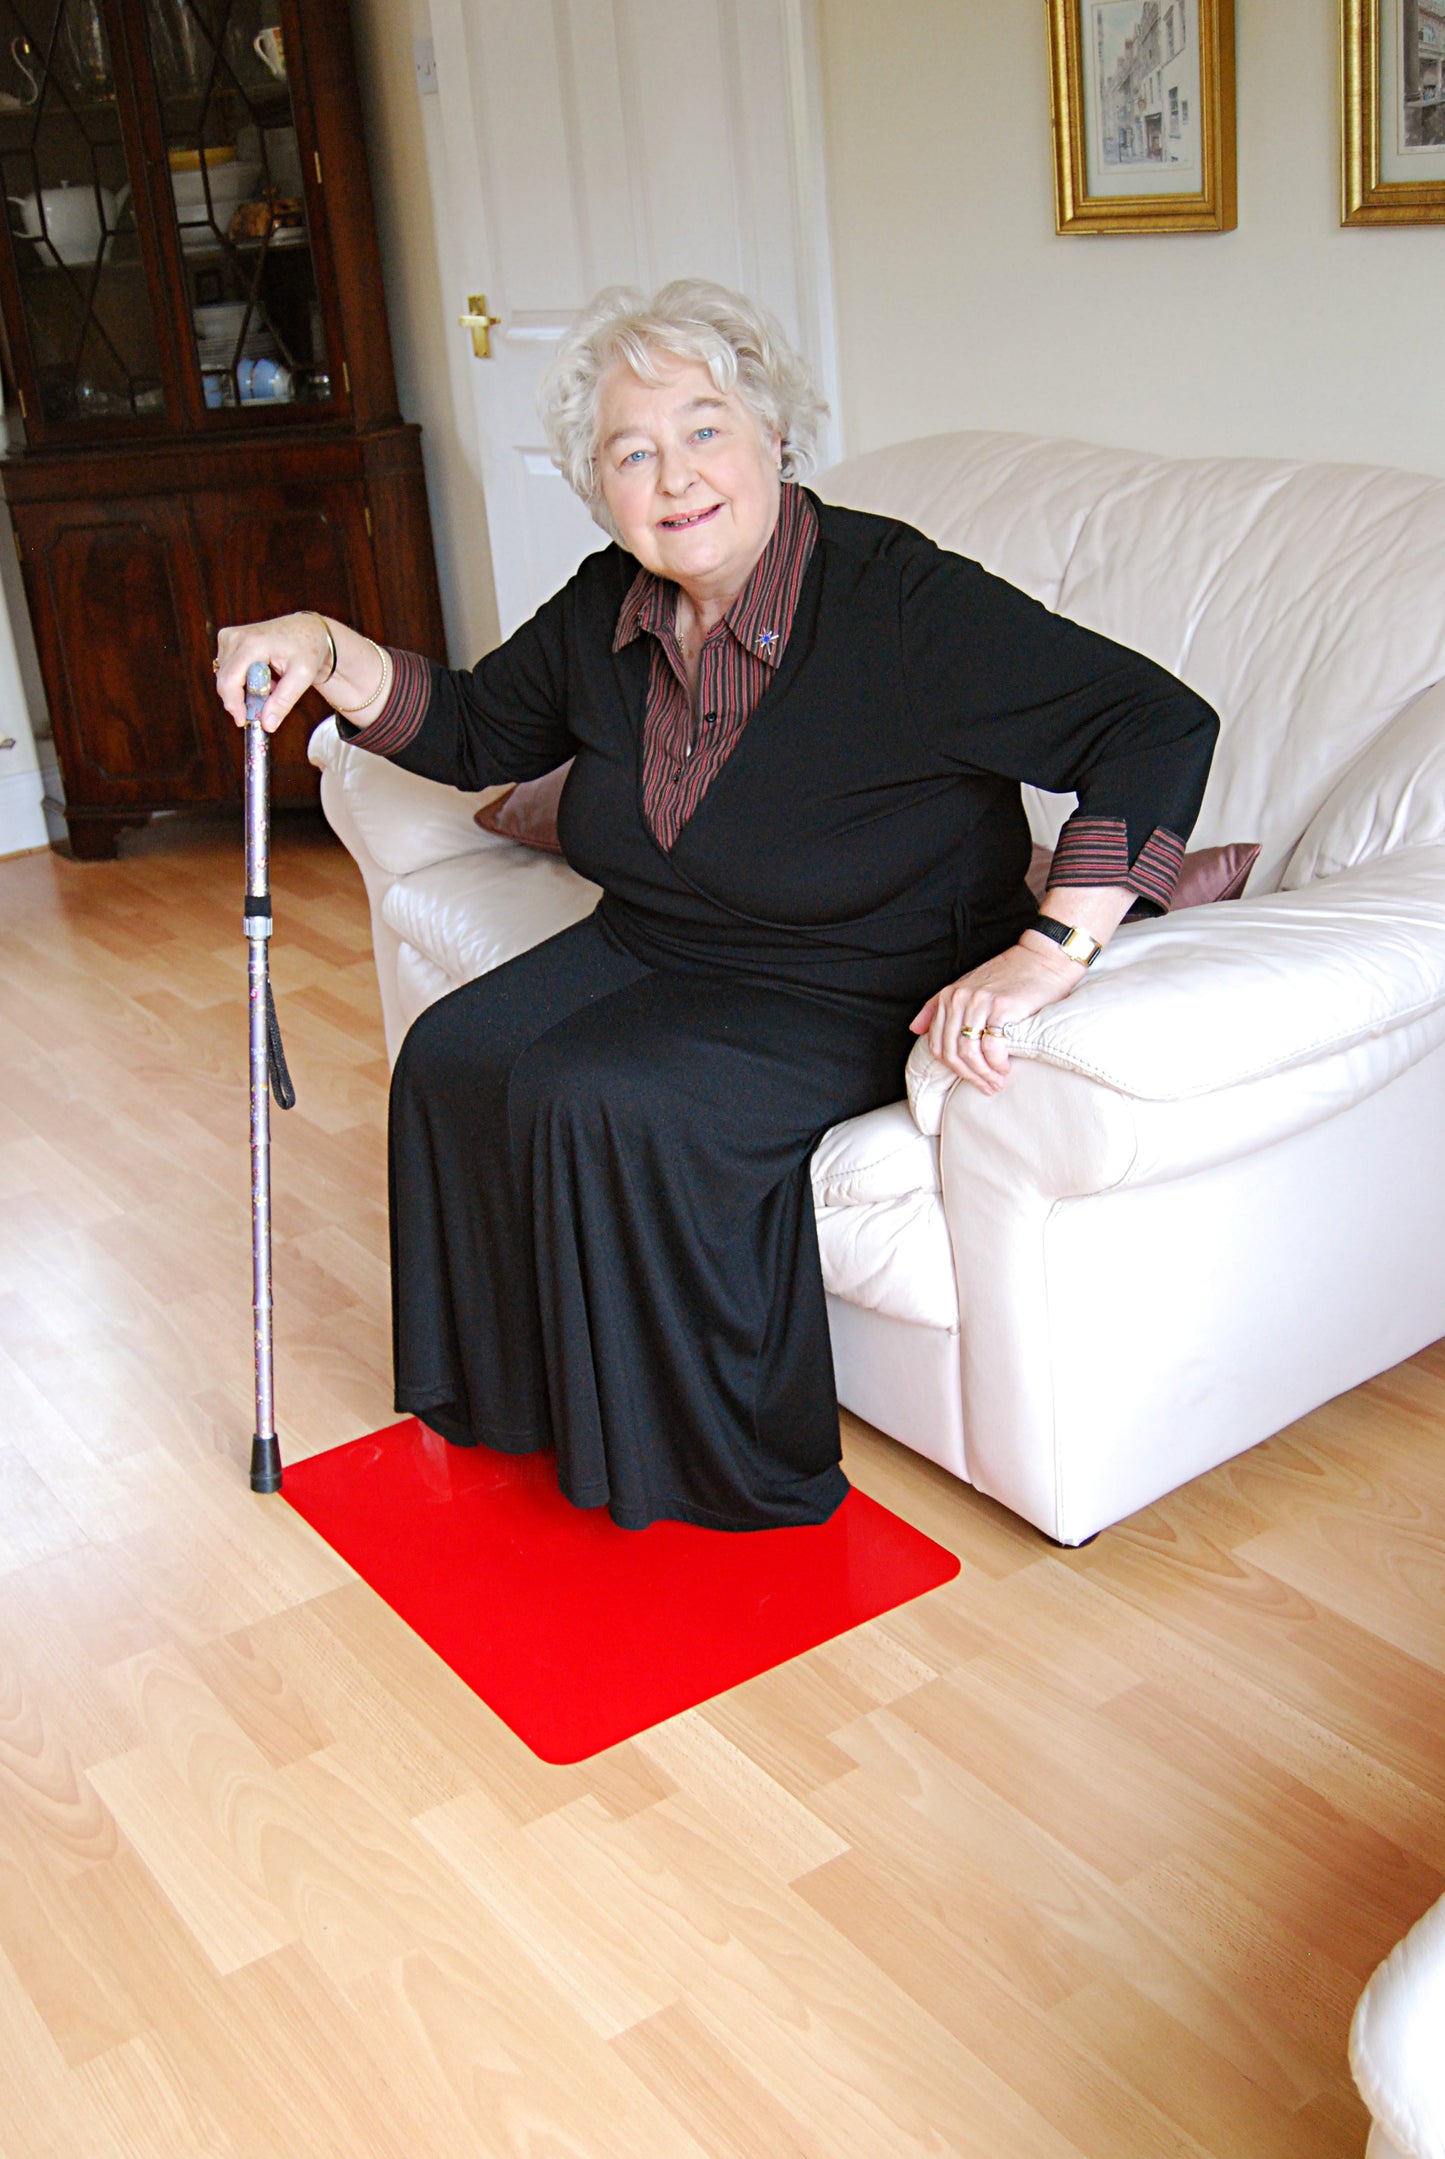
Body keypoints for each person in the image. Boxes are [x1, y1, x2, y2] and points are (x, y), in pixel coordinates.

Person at [214, 279, 1217, 1534]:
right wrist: (318, 643)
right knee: (456, 1055)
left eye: (702, 428)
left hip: (860, 970)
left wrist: (1050, 949)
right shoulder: (606, 607)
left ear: (772, 437)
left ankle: (701, 1474)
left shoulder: (898, 600)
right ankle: (524, 1417)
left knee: (609, 1097)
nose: (674, 475)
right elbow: (475, 727)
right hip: (658, 941)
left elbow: (1155, 722)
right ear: (599, 487)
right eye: (631, 452)